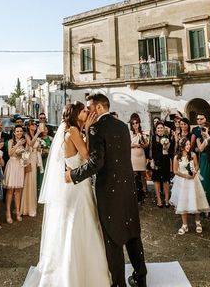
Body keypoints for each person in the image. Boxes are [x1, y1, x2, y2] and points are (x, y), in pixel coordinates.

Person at [23, 101, 112, 287]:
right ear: (75, 114)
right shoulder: (72, 131)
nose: (87, 112)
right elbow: (87, 156)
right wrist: (88, 129)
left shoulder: (73, 130)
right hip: (76, 186)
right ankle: (72, 274)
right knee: (79, 224)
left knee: (81, 223)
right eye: (84, 110)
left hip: (79, 183)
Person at [66, 93, 147, 287]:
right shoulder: (122, 125)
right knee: (132, 232)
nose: (87, 111)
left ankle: (119, 283)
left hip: (109, 190)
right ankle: (140, 277)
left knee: (113, 237)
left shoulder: (95, 128)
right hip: (128, 187)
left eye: (89, 108)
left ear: (99, 108)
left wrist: (73, 176)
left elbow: (96, 163)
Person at [170, 138, 210, 234]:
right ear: (181, 146)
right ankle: (185, 225)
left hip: (193, 180)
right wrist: (185, 176)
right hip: (182, 181)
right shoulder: (177, 157)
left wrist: (195, 172)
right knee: (183, 201)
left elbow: (197, 165)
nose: (188, 146)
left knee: (195, 200)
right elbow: (175, 171)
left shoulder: (192, 155)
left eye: (189, 144)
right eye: (186, 145)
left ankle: (198, 222)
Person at [3, 125, 27, 223]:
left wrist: (25, 155)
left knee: (18, 190)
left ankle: (17, 211)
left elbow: (27, 154)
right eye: (17, 131)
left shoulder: (25, 143)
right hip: (12, 165)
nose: (19, 132)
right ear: (14, 133)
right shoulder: (10, 142)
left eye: (21, 131)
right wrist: (17, 144)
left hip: (20, 166)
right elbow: (10, 153)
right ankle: (8, 212)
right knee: (10, 190)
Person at [21, 120, 44, 217]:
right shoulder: (26, 135)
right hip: (28, 159)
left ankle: (32, 205)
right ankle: (27, 207)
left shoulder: (36, 136)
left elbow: (36, 148)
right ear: (29, 126)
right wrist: (38, 132)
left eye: (35, 124)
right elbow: (30, 144)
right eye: (32, 124)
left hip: (34, 159)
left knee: (33, 181)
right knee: (28, 181)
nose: (34, 126)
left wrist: (39, 148)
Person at [149, 122, 174, 208]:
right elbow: (150, 149)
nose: (160, 129)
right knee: (156, 180)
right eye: (158, 128)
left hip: (165, 161)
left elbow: (171, 151)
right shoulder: (153, 138)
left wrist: (166, 146)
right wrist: (151, 160)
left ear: (164, 129)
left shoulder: (167, 137)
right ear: (156, 130)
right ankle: (159, 199)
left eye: (161, 127)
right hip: (156, 161)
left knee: (166, 180)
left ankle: (167, 199)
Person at [128, 113, 148, 205]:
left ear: (139, 123)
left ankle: (144, 191)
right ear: (131, 124)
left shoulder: (142, 132)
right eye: (133, 123)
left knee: (143, 174)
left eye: (137, 123)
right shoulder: (130, 133)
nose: (135, 124)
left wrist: (142, 139)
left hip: (141, 155)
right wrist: (135, 145)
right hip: (133, 156)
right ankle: (137, 193)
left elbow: (146, 144)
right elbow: (127, 144)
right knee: (135, 174)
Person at [36, 117, 52, 196]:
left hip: (49, 161)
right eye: (43, 130)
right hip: (42, 160)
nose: (45, 131)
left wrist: (49, 151)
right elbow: (37, 151)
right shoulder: (38, 139)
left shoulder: (51, 138)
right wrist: (43, 151)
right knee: (41, 176)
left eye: (46, 130)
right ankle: (40, 193)